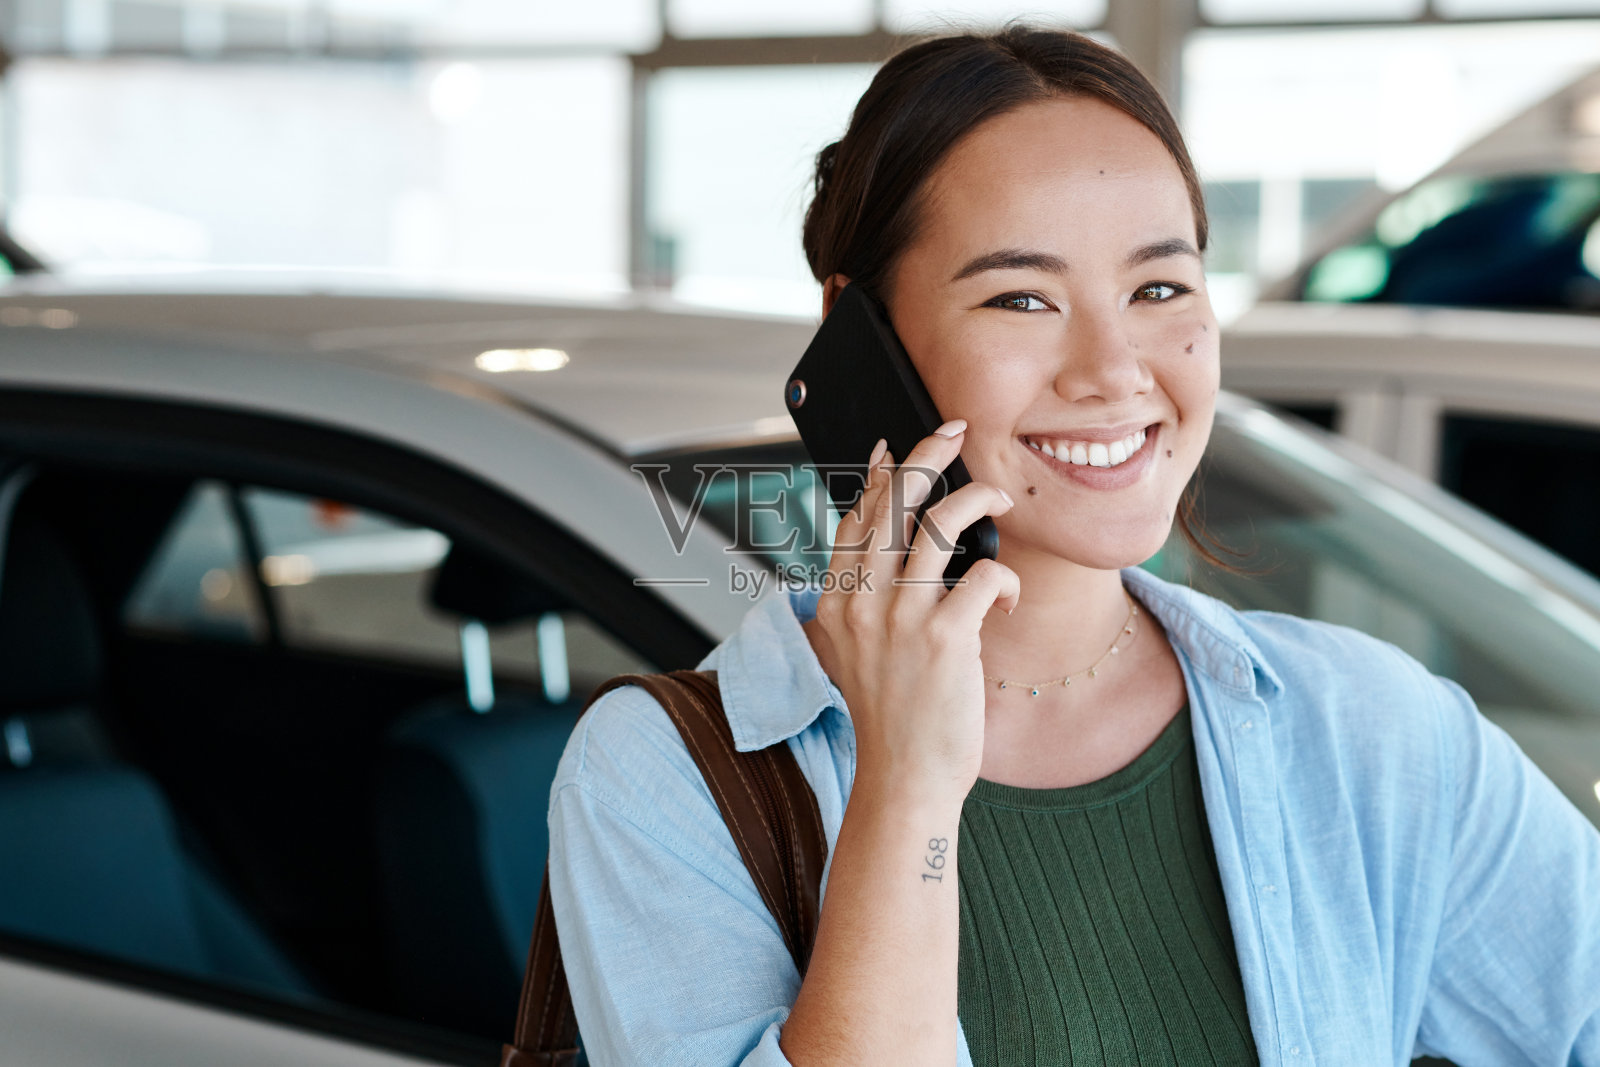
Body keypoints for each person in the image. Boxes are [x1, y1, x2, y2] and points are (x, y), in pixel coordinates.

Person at [547, 25, 1600, 1067]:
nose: (1114, 369)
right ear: (854, 334)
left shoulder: (1368, 730)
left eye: (1158, 288)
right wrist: (908, 779)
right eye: (1020, 297)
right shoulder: (664, 777)